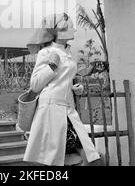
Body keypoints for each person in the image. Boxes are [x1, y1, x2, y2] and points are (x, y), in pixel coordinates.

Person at [23, 13, 101, 166]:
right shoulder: (46, 53)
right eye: (71, 26)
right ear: (59, 30)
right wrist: (51, 66)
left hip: (68, 111)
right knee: (53, 160)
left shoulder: (69, 53)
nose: (74, 29)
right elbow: (35, 84)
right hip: (51, 111)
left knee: (90, 157)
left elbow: (63, 80)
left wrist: (73, 88)